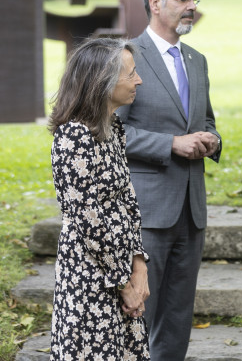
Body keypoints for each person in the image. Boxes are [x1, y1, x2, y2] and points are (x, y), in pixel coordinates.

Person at [115, 0, 222, 361]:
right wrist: (170, 144)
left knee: (178, 319)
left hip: (191, 212)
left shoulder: (197, 60)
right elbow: (111, 134)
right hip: (147, 212)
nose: (192, 7)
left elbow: (206, 121)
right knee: (138, 316)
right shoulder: (125, 57)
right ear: (155, 2)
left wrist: (212, 141)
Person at [49, 37, 150, 360]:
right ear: (102, 82)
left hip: (122, 269)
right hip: (90, 279)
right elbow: (88, 222)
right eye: (131, 73)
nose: (139, 80)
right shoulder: (73, 137)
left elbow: (128, 201)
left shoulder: (113, 127)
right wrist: (126, 284)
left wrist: (139, 265)